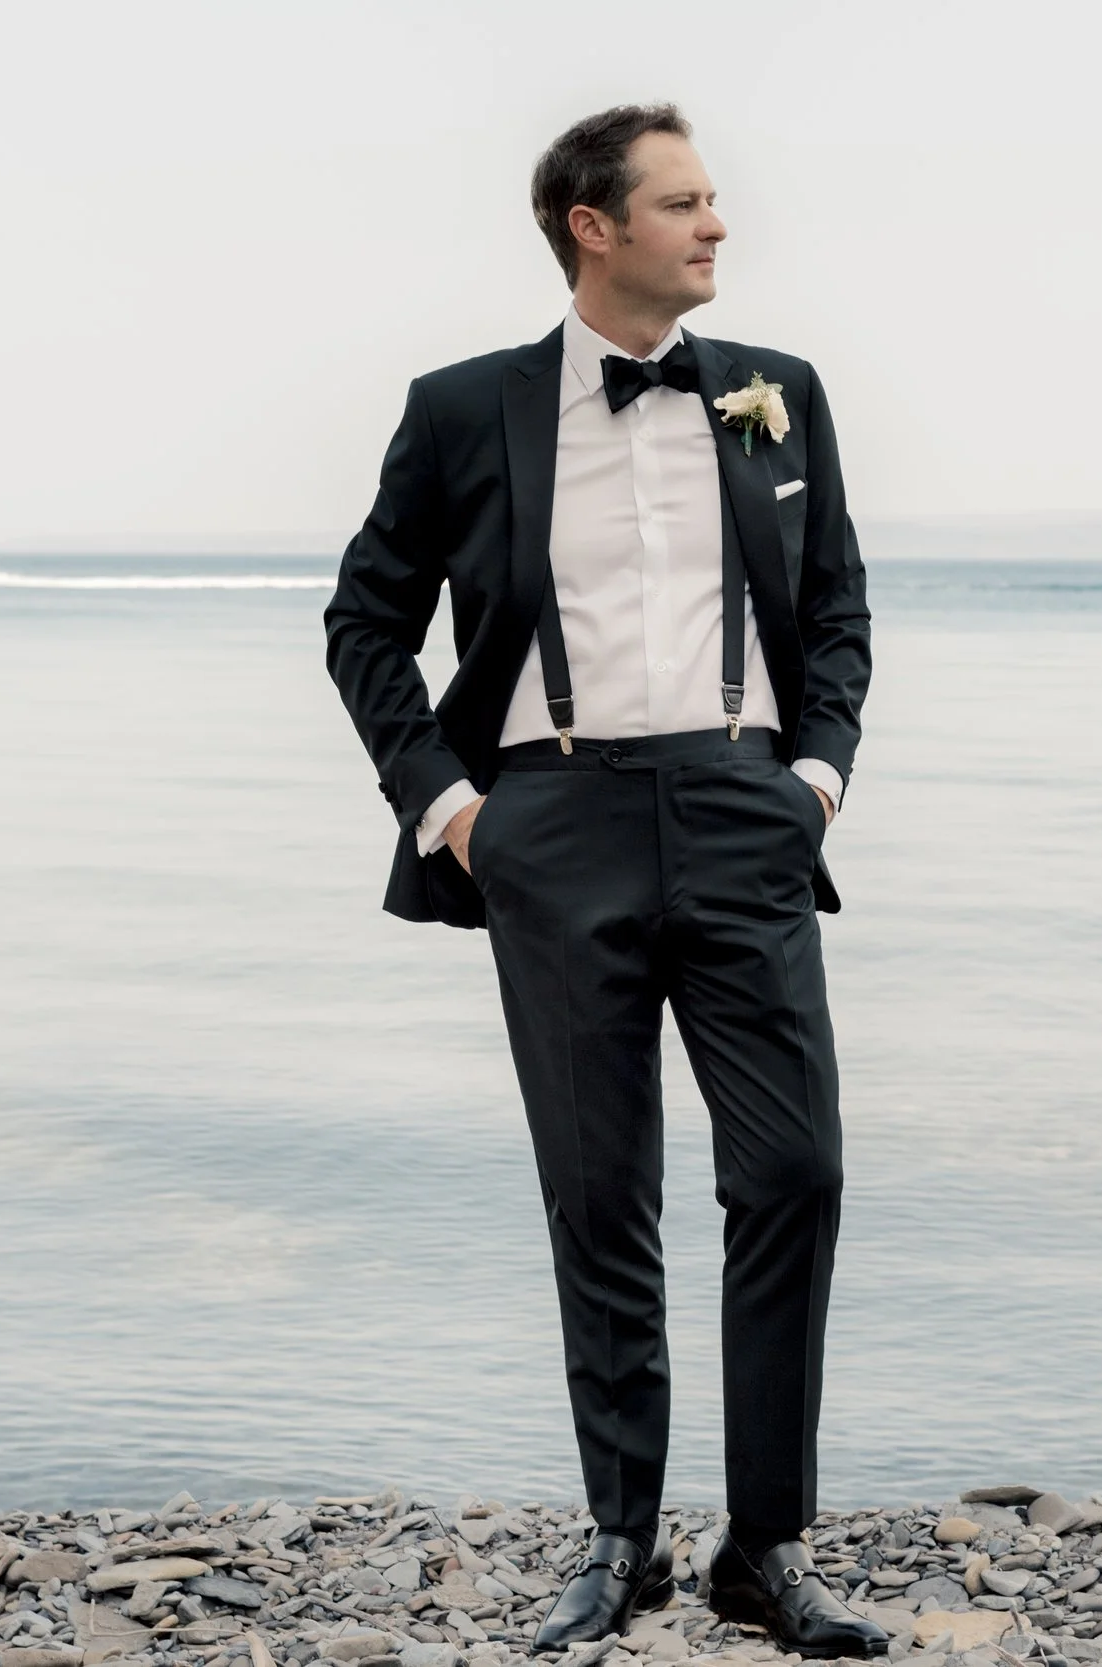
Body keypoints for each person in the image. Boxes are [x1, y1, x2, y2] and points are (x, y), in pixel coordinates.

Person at [323, 103, 882, 1659]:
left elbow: (833, 608)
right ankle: (622, 1532)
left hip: (741, 806)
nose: (718, 227)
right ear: (595, 225)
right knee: (598, 1190)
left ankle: (765, 1545)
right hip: (545, 819)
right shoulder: (463, 410)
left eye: (714, 202)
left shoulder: (783, 399)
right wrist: (453, 812)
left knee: (794, 1173)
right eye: (685, 203)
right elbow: (363, 623)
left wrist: (814, 782)